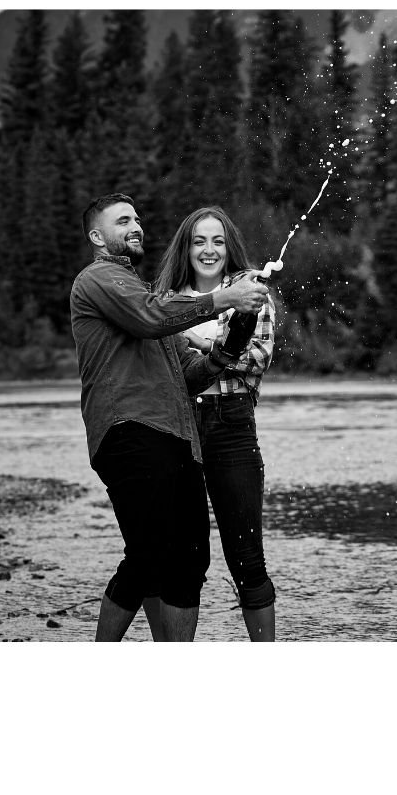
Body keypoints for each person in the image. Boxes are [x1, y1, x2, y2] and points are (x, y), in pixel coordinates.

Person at [69, 193, 268, 642]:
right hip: (129, 431)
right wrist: (223, 298)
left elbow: (190, 376)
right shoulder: (98, 279)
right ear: (97, 237)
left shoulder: (146, 296)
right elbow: (148, 318)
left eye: (137, 218)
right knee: (148, 553)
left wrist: (230, 345)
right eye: (123, 221)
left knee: (190, 559)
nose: (135, 225)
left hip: (179, 439)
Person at [152, 206, 281, 642]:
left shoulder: (250, 291)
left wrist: (193, 336)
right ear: (185, 248)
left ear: (230, 247)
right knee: (179, 558)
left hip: (231, 425)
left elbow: (255, 359)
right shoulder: (164, 297)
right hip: (177, 429)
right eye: (199, 241)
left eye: (218, 241)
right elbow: (158, 365)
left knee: (247, 558)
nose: (208, 250)